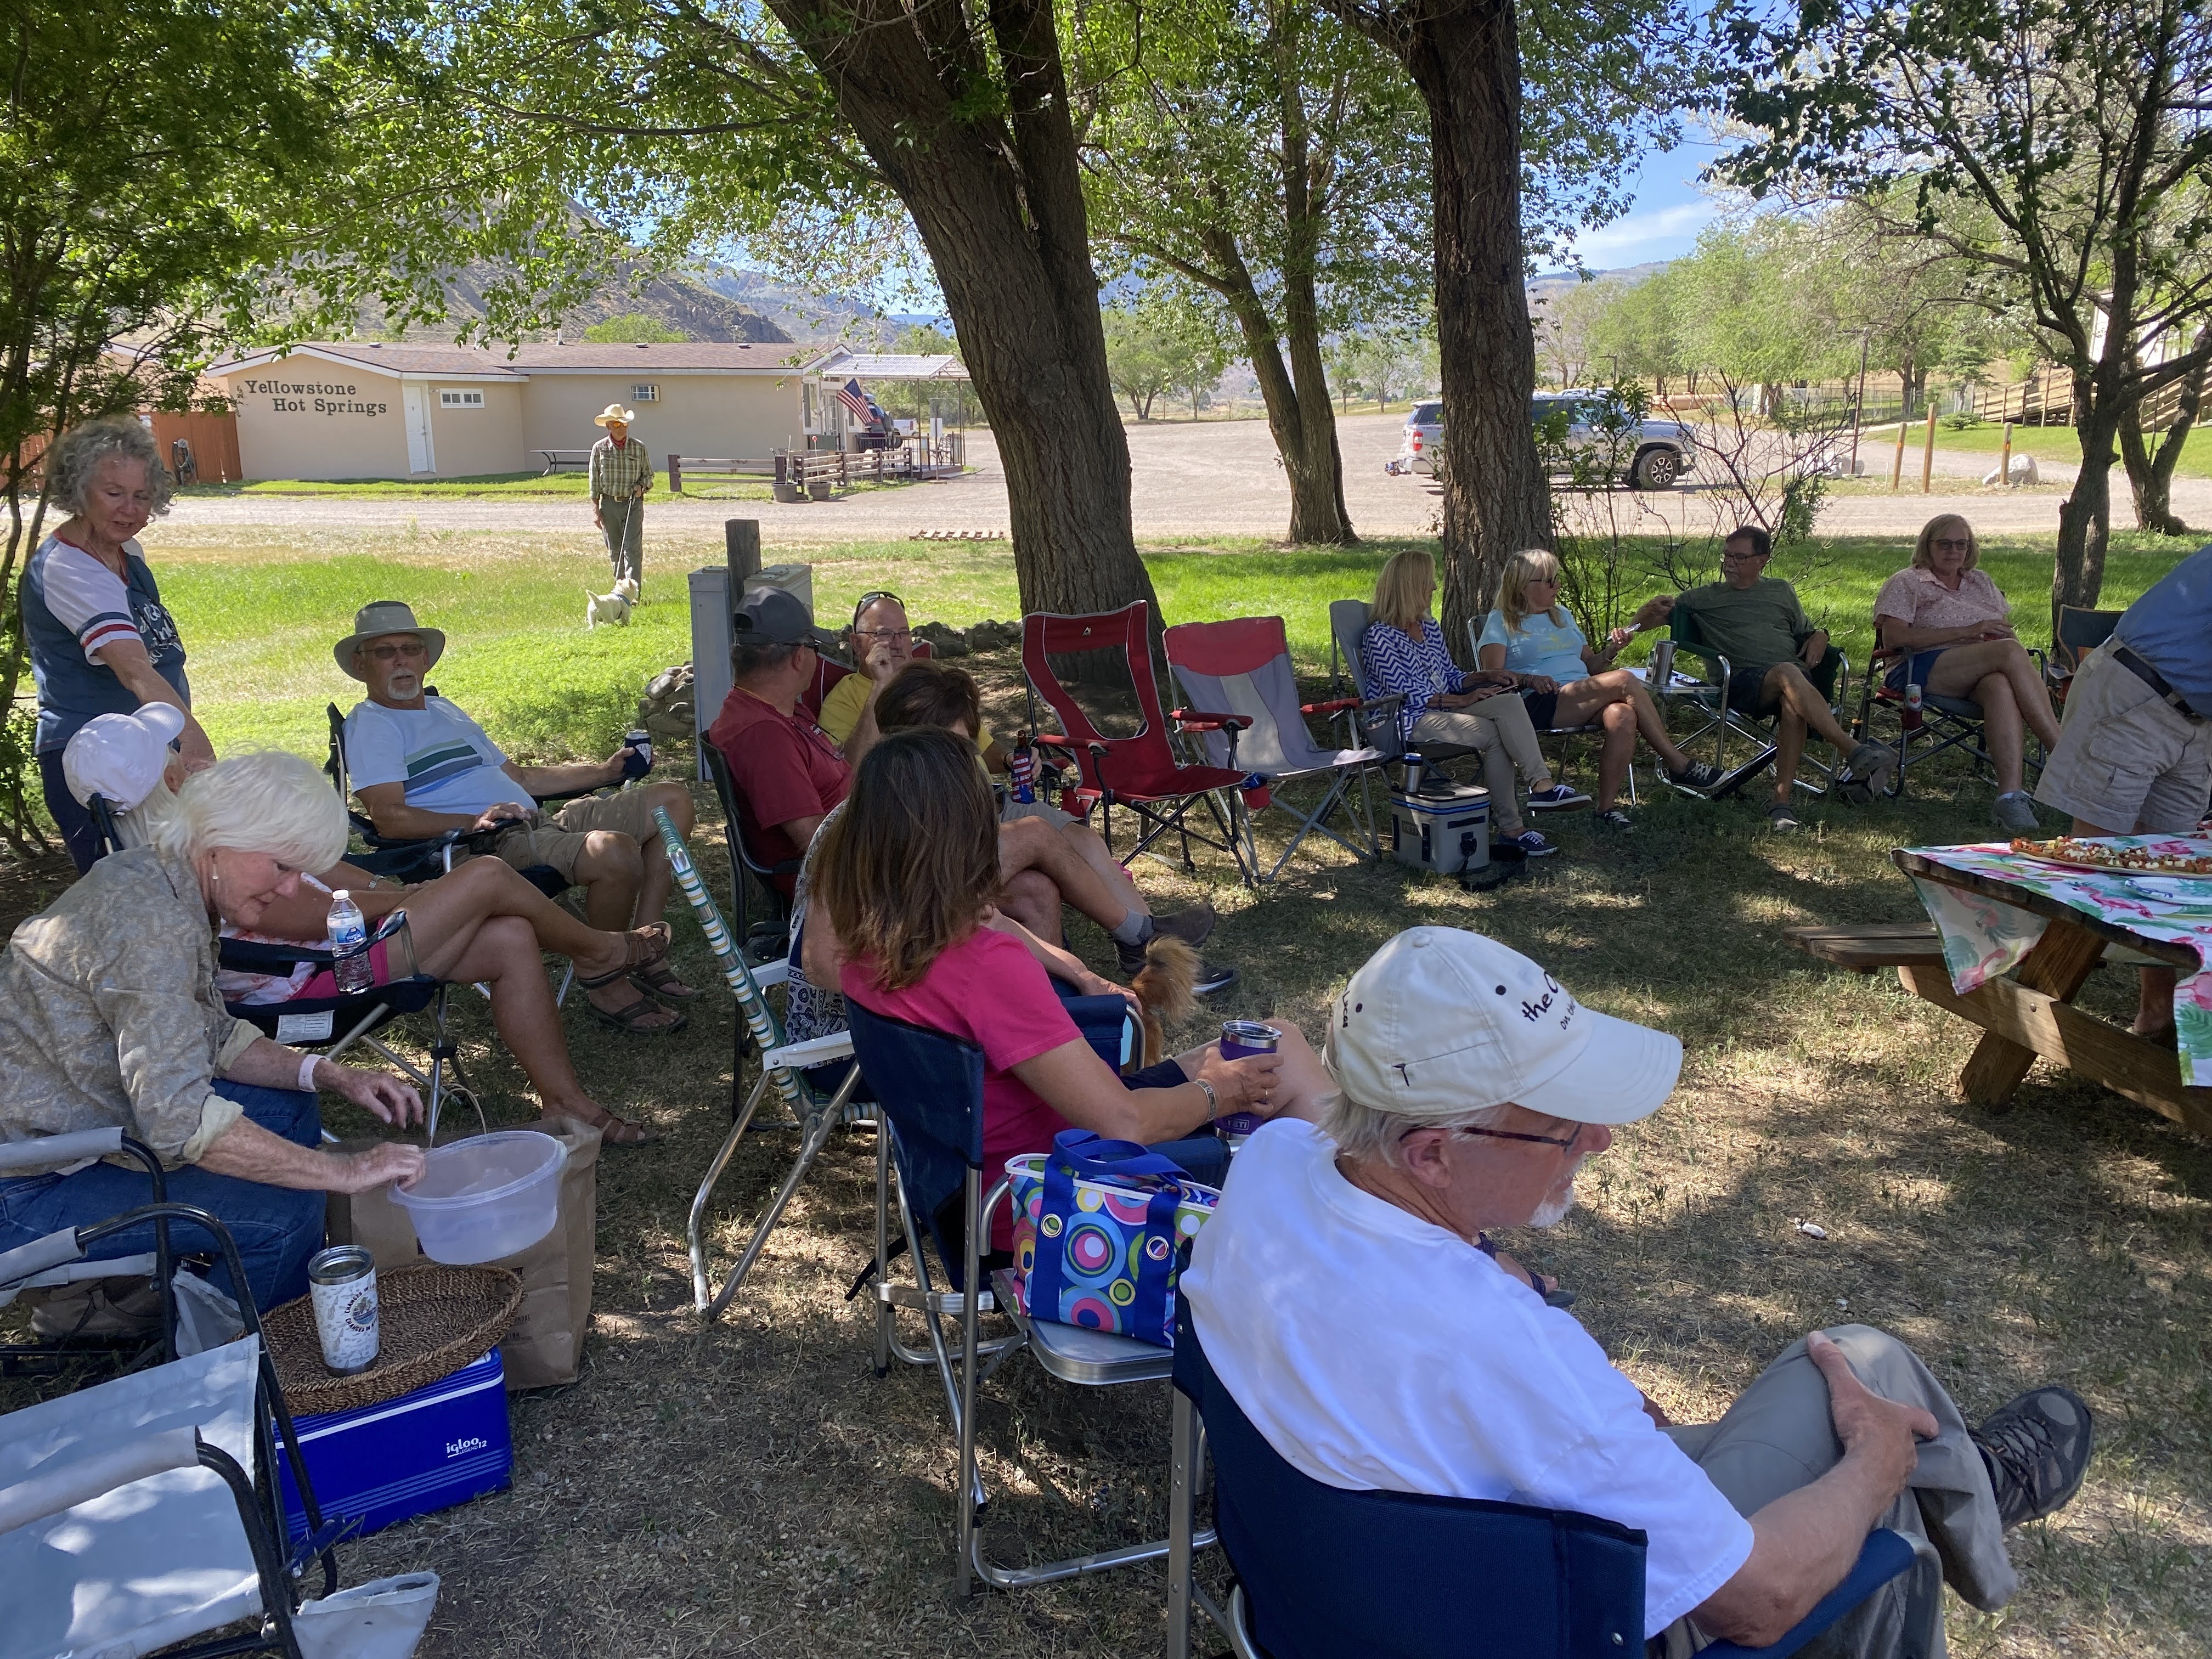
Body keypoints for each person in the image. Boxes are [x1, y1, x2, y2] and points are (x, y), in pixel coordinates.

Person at [1183, 927, 2095, 1657]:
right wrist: (1873, 1465)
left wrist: (1493, 1266)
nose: (1600, 1141)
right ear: (1432, 1154)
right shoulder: (1516, 1357)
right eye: (1562, 1127)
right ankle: (1949, 1481)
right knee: (1866, 1378)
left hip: (1351, 1600)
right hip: (1574, 1615)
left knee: (1842, 1417)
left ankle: (1956, 1479)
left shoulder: (1269, 1167)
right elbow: (1759, 1602)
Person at [816, 727, 1333, 1246]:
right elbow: (1126, 1125)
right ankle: (1347, 1241)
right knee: (1279, 1093)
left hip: (968, 1194)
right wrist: (1218, 1092)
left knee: (1281, 1043)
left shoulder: (866, 949)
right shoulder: (983, 966)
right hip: (1059, 1206)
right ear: (968, 833)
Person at [0, 751, 429, 1314]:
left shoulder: (165, 881)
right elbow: (177, 1118)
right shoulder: (151, 925)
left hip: (77, 1125)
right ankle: (241, 1355)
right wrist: (343, 1171)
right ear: (220, 842)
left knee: (289, 1105)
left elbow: (211, 1033)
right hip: (28, 1181)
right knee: (284, 1215)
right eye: (282, 866)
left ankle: (220, 1290)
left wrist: (330, 1075)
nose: (293, 890)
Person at [707, 590, 1224, 984]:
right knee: (1035, 836)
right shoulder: (763, 734)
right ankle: (1136, 941)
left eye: (902, 632)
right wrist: (914, 832)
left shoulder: (777, 715)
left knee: (1037, 890)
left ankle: (1053, 1006)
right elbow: (818, 842)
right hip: (874, 874)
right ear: (798, 658)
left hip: (897, 844)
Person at [336, 599, 699, 1036]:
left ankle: (645, 946)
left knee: (671, 800)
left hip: (537, 823)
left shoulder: (443, 709)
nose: (401, 661)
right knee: (614, 853)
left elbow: (522, 777)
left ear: (426, 658)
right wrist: (473, 821)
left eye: (410, 649)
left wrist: (604, 772)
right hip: (485, 844)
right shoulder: (371, 725)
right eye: (384, 652)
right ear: (360, 665)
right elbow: (389, 818)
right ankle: (606, 978)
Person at [2034, 542, 2212, 1039]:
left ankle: (2156, 1015)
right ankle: (2039, 1004)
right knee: (2096, 859)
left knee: (2166, 872)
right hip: (2137, 693)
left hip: (2195, 718)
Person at [22, 417, 216, 872]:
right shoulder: (69, 568)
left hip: (148, 754)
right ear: (79, 490)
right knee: (138, 895)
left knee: (195, 888)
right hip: (100, 768)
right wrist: (196, 744)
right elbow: (134, 670)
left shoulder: (128, 555)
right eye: (114, 493)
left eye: (142, 496)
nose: (129, 509)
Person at [1638, 526, 1898, 831]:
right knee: (1787, 673)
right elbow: (1643, 624)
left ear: (1762, 561)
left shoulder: (1781, 591)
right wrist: (1647, 610)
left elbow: (1805, 631)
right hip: (1740, 682)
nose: (1729, 563)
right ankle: (1854, 750)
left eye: (1739, 557)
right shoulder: (1702, 599)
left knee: (1792, 702)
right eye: (1727, 556)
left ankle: (1780, 803)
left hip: (1793, 681)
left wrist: (1821, 635)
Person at [1362, 549, 1587, 858]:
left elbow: (1450, 675)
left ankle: (1542, 787)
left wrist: (1485, 676)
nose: (1435, 587)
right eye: (1428, 581)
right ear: (1410, 586)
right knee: (1495, 734)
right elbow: (1407, 695)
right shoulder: (1380, 637)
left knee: (1508, 702)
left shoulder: (1428, 628)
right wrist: (1464, 699)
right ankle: (1513, 829)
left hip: (1445, 708)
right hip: (1407, 720)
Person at [1475, 549, 1725, 827]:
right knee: (1623, 679)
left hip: (1579, 695)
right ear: (1524, 585)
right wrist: (1529, 679)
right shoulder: (1502, 620)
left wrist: (1611, 651)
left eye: (1557, 579)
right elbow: (1492, 675)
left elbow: (1591, 666)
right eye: (1550, 581)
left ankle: (1606, 809)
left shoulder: (1561, 615)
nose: (1558, 586)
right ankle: (1677, 764)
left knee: (1622, 715)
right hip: (1536, 700)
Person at [1872, 515, 2061, 831]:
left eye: (1961, 544)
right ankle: (2064, 753)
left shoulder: (1980, 582)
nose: (1953, 551)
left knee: (2000, 685)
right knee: (2008, 652)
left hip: (1980, 667)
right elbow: (1895, 639)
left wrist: (2007, 648)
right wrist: (1969, 631)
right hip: (1917, 668)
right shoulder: (1908, 582)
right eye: (1944, 544)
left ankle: (2010, 798)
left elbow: (2004, 632)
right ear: (1927, 545)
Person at [589, 404, 652, 591]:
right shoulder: (599, 448)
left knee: (632, 550)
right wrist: (596, 510)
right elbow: (594, 482)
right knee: (615, 550)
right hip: (609, 504)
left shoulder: (639, 447)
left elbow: (649, 475)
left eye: (624, 424)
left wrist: (642, 486)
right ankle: (620, 593)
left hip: (633, 504)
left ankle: (633, 595)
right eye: (616, 424)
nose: (621, 428)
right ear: (608, 426)